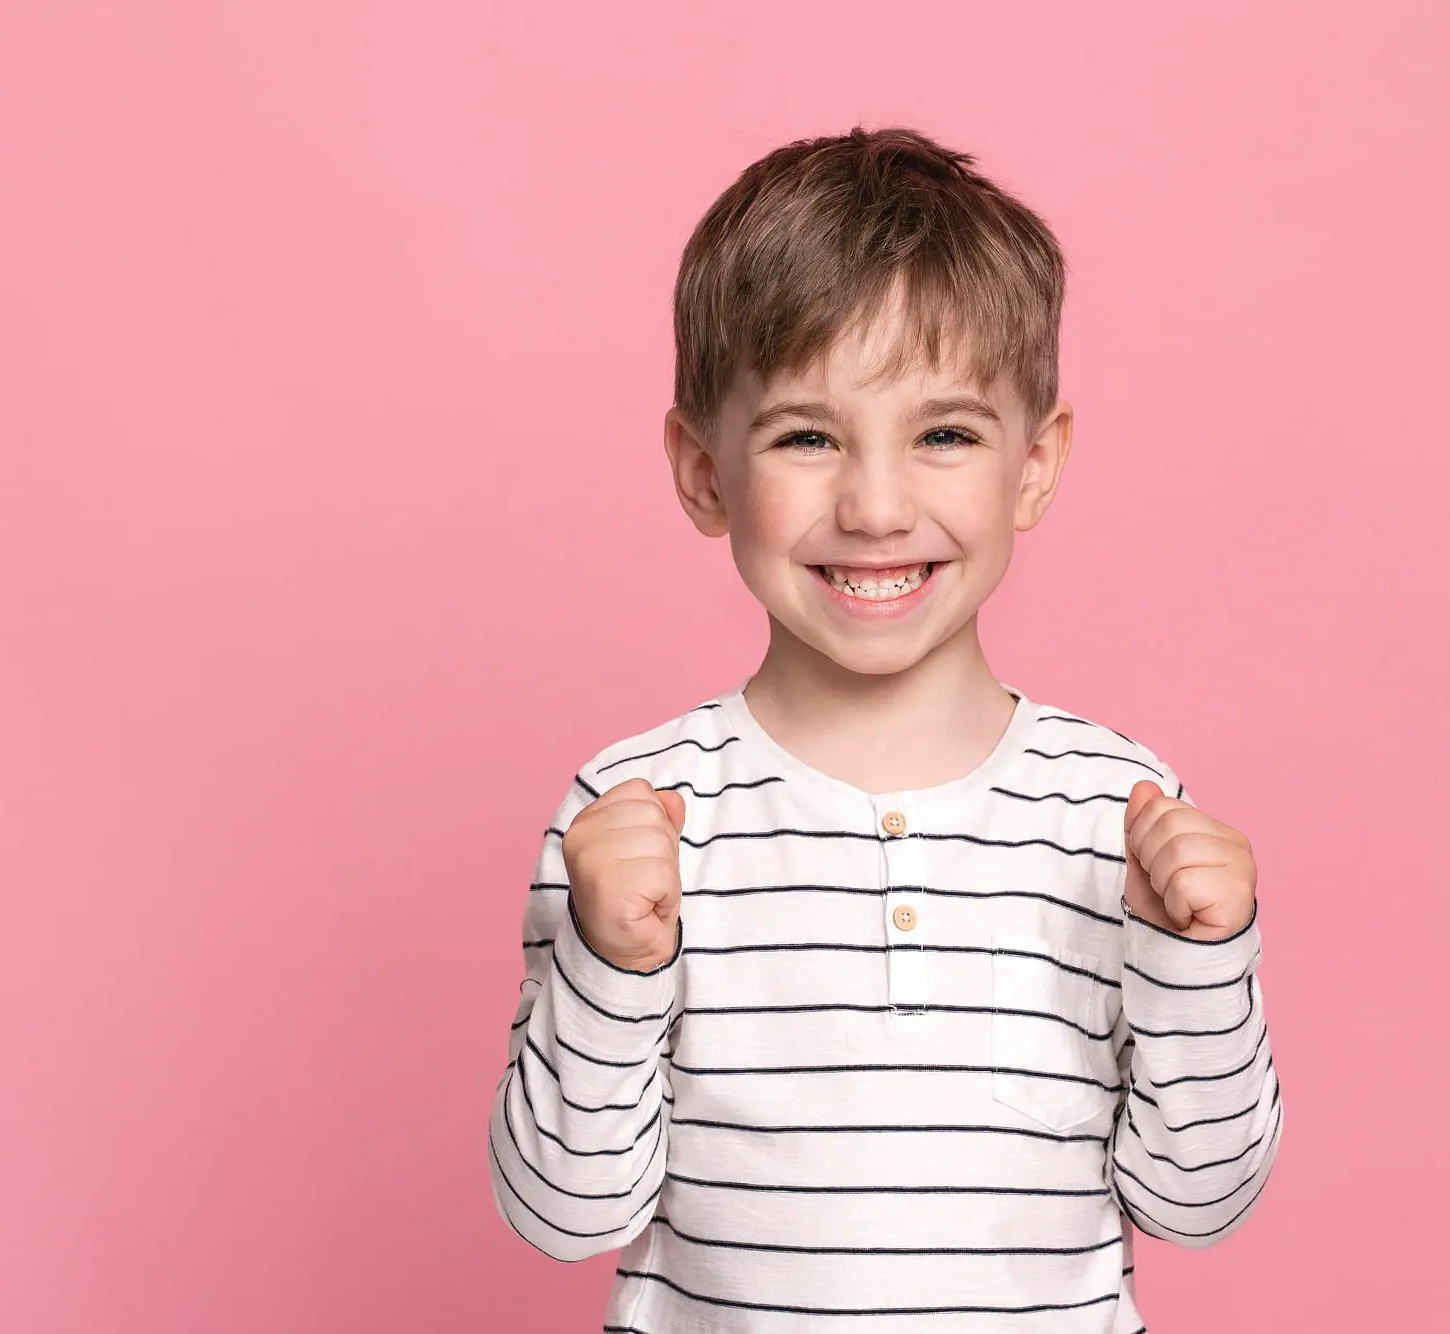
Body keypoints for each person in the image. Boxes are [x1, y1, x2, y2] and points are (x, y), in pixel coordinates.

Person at [488, 124, 1282, 1333]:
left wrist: (1199, 966)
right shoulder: (632, 808)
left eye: (944, 434)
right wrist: (614, 965)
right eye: (805, 436)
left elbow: (1198, 1199)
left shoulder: (1117, 809)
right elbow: (562, 1211)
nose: (872, 504)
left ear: (1034, 463)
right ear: (703, 472)